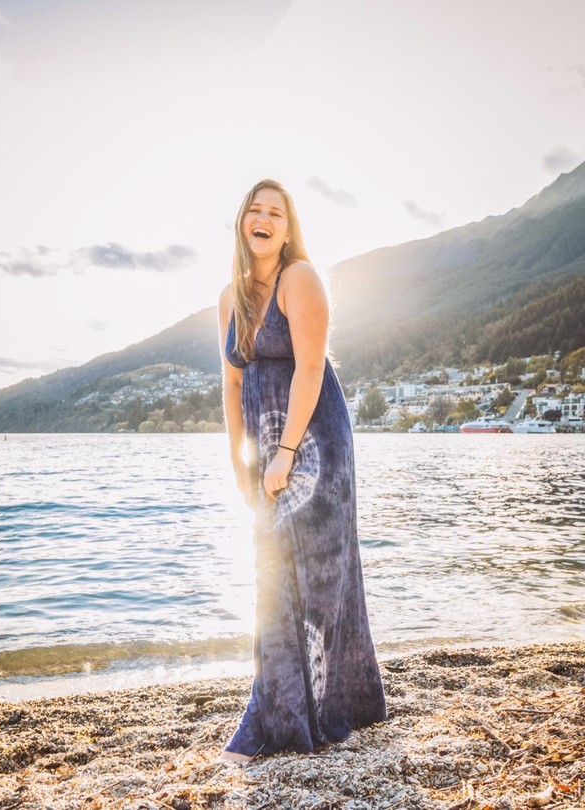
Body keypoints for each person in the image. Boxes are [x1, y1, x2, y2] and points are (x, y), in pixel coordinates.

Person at [216, 179, 387, 762]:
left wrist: (286, 453)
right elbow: (234, 383)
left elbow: (311, 369)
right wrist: (243, 464)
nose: (263, 220)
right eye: (254, 211)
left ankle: (316, 709)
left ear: (289, 229)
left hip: (314, 445)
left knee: (318, 578)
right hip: (266, 449)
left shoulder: (301, 279)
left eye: (276, 213)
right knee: (271, 575)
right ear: (242, 223)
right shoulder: (231, 297)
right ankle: (280, 710)